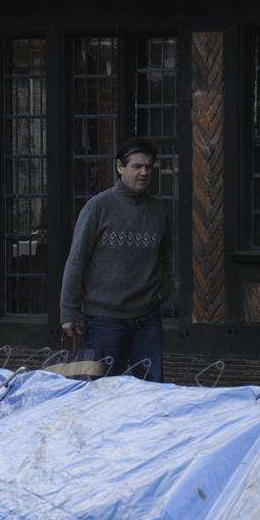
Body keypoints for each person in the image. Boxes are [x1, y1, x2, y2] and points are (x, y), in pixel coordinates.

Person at [60, 138, 172, 381]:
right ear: (120, 167)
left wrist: (161, 293)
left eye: (149, 167)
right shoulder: (98, 207)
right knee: (103, 391)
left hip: (147, 319)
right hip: (104, 320)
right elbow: (76, 260)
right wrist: (68, 311)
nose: (143, 172)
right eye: (137, 166)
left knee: (150, 392)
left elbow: (166, 258)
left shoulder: (159, 210)